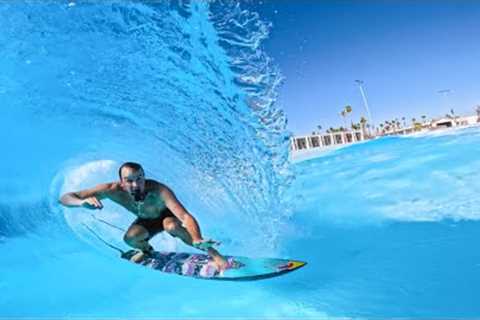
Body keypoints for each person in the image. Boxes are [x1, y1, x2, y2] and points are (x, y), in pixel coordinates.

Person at [59, 162, 228, 270]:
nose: (136, 184)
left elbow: (185, 216)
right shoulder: (111, 190)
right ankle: (147, 251)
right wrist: (81, 203)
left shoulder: (159, 190)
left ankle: (215, 255)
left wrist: (197, 237)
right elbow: (65, 198)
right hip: (147, 221)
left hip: (167, 217)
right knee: (130, 239)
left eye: (139, 178)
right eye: (129, 180)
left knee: (172, 226)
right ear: (121, 182)